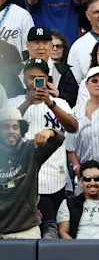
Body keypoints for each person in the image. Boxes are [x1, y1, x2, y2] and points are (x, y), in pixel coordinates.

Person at [10, 58, 79, 215]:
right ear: (24, 79)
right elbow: (4, 126)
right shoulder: (13, 103)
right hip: (20, 179)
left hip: (54, 177)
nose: (35, 82)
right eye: (31, 78)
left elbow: (73, 127)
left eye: (39, 78)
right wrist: (28, 103)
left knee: (52, 228)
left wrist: (50, 104)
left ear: (47, 80)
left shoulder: (59, 103)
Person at [0, 107, 64, 239]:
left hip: (26, 229)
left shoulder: (31, 149)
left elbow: (59, 139)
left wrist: (50, 132)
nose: (11, 131)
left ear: (21, 130)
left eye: (15, 127)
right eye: (5, 127)